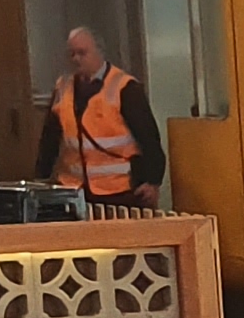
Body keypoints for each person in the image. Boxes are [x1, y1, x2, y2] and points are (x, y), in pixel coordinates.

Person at [36, 27, 165, 204]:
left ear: (99, 52)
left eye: (82, 53)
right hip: (75, 189)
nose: (76, 59)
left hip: (119, 189)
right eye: (71, 54)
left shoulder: (125, 88)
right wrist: (40, 179)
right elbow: (49, 138)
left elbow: (149, 137)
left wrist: (153, 181)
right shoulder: (63, 87)